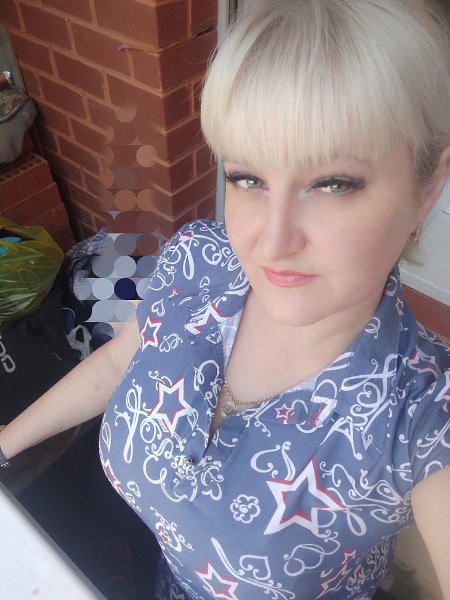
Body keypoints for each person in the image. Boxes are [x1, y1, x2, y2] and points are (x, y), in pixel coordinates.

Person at [1, 0, 450, 598]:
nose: (272, 240)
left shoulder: (422, 410)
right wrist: (4, 444)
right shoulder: (198, 259)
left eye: (333, 183)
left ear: (427, 189)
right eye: (248, 178)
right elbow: (120, 360)